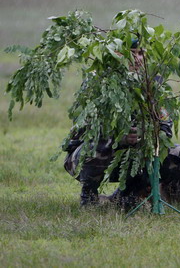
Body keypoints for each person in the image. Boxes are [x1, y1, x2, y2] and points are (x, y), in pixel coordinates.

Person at [63, 39, 173, 207]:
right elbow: (86, 130)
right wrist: (119, 138)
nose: (137, 59)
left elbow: (166, 127)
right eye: (132, 53)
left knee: (175, 154)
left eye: (141, 53)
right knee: (96, 147)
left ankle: (127, 195)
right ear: (117, 55)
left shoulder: (154, 83)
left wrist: (144, 134)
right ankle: (89, 196)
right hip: (94, 154)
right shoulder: (99, 82)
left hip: (136, 152)